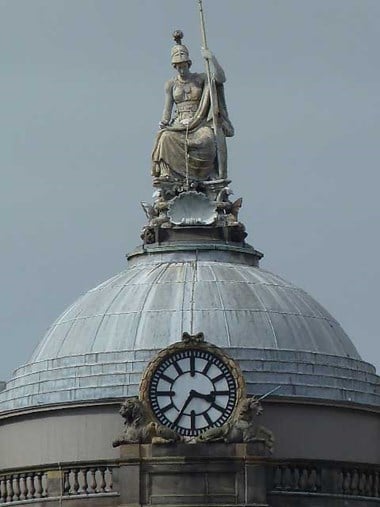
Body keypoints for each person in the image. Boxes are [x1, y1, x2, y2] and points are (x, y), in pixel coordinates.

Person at [151, 33, 234, 183]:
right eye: (178, 67)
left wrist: (211, 58)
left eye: (183, 66)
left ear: (188, 64)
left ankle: (206, 174)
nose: (181, 70)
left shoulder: (201, 78)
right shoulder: (171, 84)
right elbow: (167, 110)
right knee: (165, 138)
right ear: (174, 67)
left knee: (207, 139)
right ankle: (167, 174)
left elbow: (221, 79)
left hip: (200, 121)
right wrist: (163, 122)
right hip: (179, 124)